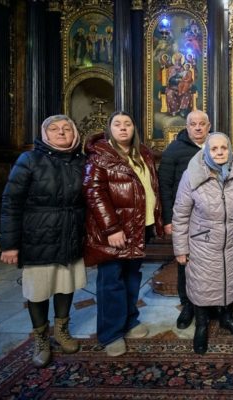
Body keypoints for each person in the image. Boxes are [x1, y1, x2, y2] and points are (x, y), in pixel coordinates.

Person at [0, 115, 86, 367]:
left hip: (70, 233)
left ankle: (62, 331)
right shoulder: (29, 159)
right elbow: (11, 203)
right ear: (45, 134)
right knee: (38, 290)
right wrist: (9, 244)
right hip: (38, 236)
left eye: (67, 128)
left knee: (65, 285)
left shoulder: (82, 161)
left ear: (75, 133)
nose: (61, 132)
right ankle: (41, 338)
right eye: (54, 129)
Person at [83, 111, 163, 357]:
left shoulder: (142, 153)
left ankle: (129, 320)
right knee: (111, 281)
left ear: (134, 128)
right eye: (117, 124)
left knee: (131, 276)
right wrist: (112, 228)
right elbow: (94, 192)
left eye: (127, 123)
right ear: (110, 129)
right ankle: (111, 334)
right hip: (115, 230)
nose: (123, 127)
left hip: (139, 225)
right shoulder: (100, 156)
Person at [172, 132, 233, 355]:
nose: (220, 152)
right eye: (214, 149)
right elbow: (180, 215)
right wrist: (180, 249)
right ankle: (202, 325)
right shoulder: (192, 175)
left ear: (230, 149)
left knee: (231, 281)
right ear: (206, 151)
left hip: (231, 241)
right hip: (202, 243)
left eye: (224, 148)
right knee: (202, 286)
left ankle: (227, 318)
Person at [158, 110, 211, 329]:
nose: (198, 127)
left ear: (209, 126)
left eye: (202, 124)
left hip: (211, 218)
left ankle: (210, 304)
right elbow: (165, 186)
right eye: (193, 124)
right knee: (185, 263)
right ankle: (187, 305)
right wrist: (168, 219)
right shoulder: (174, 150)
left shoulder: (216, 146)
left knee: (210, 263)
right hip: (186, 217)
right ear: (187, 127)